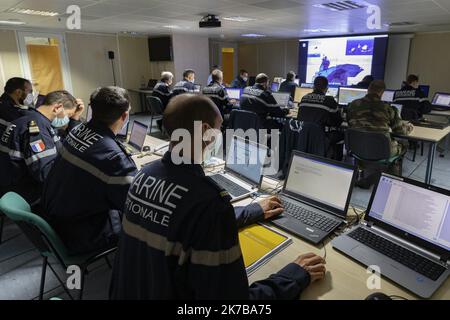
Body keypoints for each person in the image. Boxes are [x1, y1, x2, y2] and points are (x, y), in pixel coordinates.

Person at [109, 94, 326, 299]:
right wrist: (293, 277)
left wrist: (253, 210)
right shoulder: (208, 201)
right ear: (205, 131)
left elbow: (185, 222)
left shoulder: (144, 175)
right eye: (219, 128)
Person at [42, 87, 137, 255]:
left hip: (58, 218)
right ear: (124, 116)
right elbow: (133, 205)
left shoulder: (77, 131)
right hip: (82, 234)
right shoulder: (113, 156)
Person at [0, 90, 81, 206]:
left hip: (16, 185)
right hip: (30, 194)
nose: (67, 120)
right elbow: (45, 173)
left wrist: (75, 118)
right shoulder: (36, 128)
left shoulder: (29, 118)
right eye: (68, 115)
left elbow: (60, 146)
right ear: (57, 108)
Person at [347, 80, 414, 158]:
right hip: (382, 150)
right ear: (382, 93)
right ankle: (392, 169)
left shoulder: (353, 105)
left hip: (357, 148)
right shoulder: (388, 108)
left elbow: (349, 123)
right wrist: (410, 127)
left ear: (368, 90)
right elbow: (400, 131)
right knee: (404, 143)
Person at [297, 76, 344, 160]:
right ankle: (336, 162)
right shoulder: (329, 100)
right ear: (326, 88)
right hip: (321, 137)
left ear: (313, 86)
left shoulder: (304, 98)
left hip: (303, 136)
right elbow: (338, 122)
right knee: (341, 134)